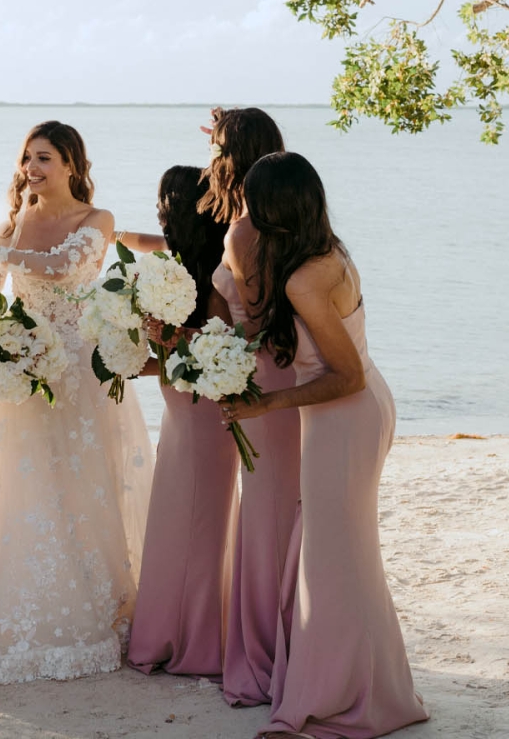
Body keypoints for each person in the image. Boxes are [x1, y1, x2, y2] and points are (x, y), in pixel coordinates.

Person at [0, 121, 154, 683]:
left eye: (45, 159)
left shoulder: (96, 221)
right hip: (20, 365)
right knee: (16, 489)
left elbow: (62, 268)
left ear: (71, 165)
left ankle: (98, 606)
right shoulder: (13, 217)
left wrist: (3, 252)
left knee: (82, 486)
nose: (32, 169)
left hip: (79, 372)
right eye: (28, 158)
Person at [223, 151, 428, 739]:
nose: (246, 214)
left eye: (251, 204)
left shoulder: (305, 278)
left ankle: (350, 696)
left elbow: (346, 377)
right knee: (341, 556)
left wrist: (265, 404)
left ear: (273, 208)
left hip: (345, 417)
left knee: (336, 561)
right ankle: (355, 684)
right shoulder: (327, 251)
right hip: (354, 413)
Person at [203, 107, 300, 707]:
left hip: (262, 382)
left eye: (217, 147)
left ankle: (265, 653)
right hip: (282, 378)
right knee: (277, 514)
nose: (211, 158)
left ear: (234, 157)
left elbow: (257, 323)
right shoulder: (275, 221)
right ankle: (287, 641)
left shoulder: (245, 230)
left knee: (265, 519)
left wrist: (211, 356)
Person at [127, 165, 236, 678]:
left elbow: (214, 352)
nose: (157, 209)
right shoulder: (183, 262)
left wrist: (162, 338)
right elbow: (176, 358)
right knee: (177, 515)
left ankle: (196, 639)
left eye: (163, 200)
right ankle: (171, 628)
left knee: (198, 518)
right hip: (179, 407)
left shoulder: (215, 275)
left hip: (203, 411)